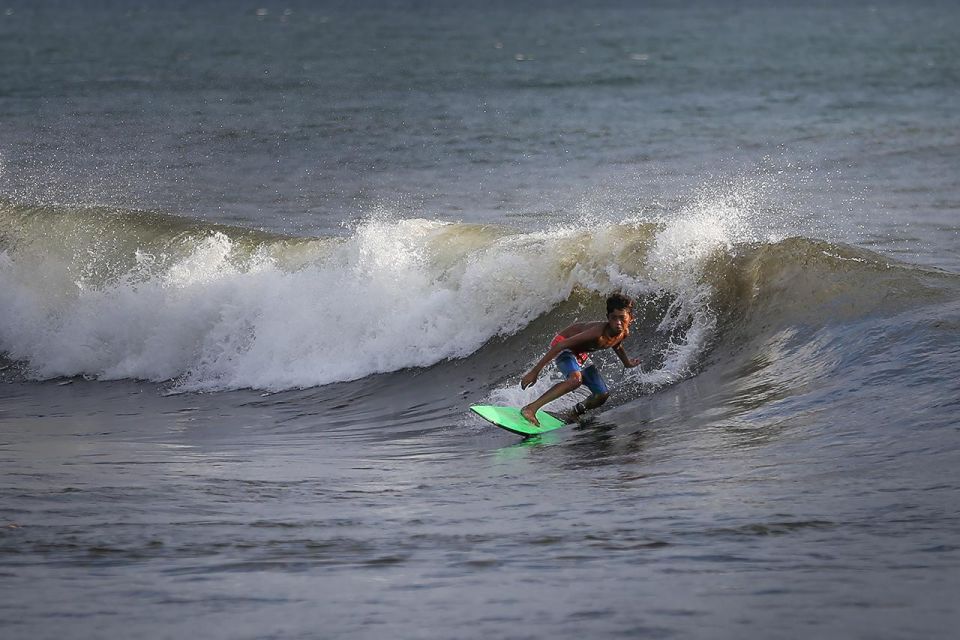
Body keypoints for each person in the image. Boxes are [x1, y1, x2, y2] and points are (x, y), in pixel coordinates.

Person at [520, 293, 642, 425]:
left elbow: (617, 345)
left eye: (622, 318)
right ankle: (531, 409)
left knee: (602, 395)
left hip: (580, 352)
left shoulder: (624, 332)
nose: (618, 323)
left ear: (631, 318)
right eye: (613, 318)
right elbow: (560, 345)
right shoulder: (597, 333)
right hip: (564, 345)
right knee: (575, 380)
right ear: (608, 318)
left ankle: (574, 413)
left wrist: (627, 363)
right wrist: (534, 372)